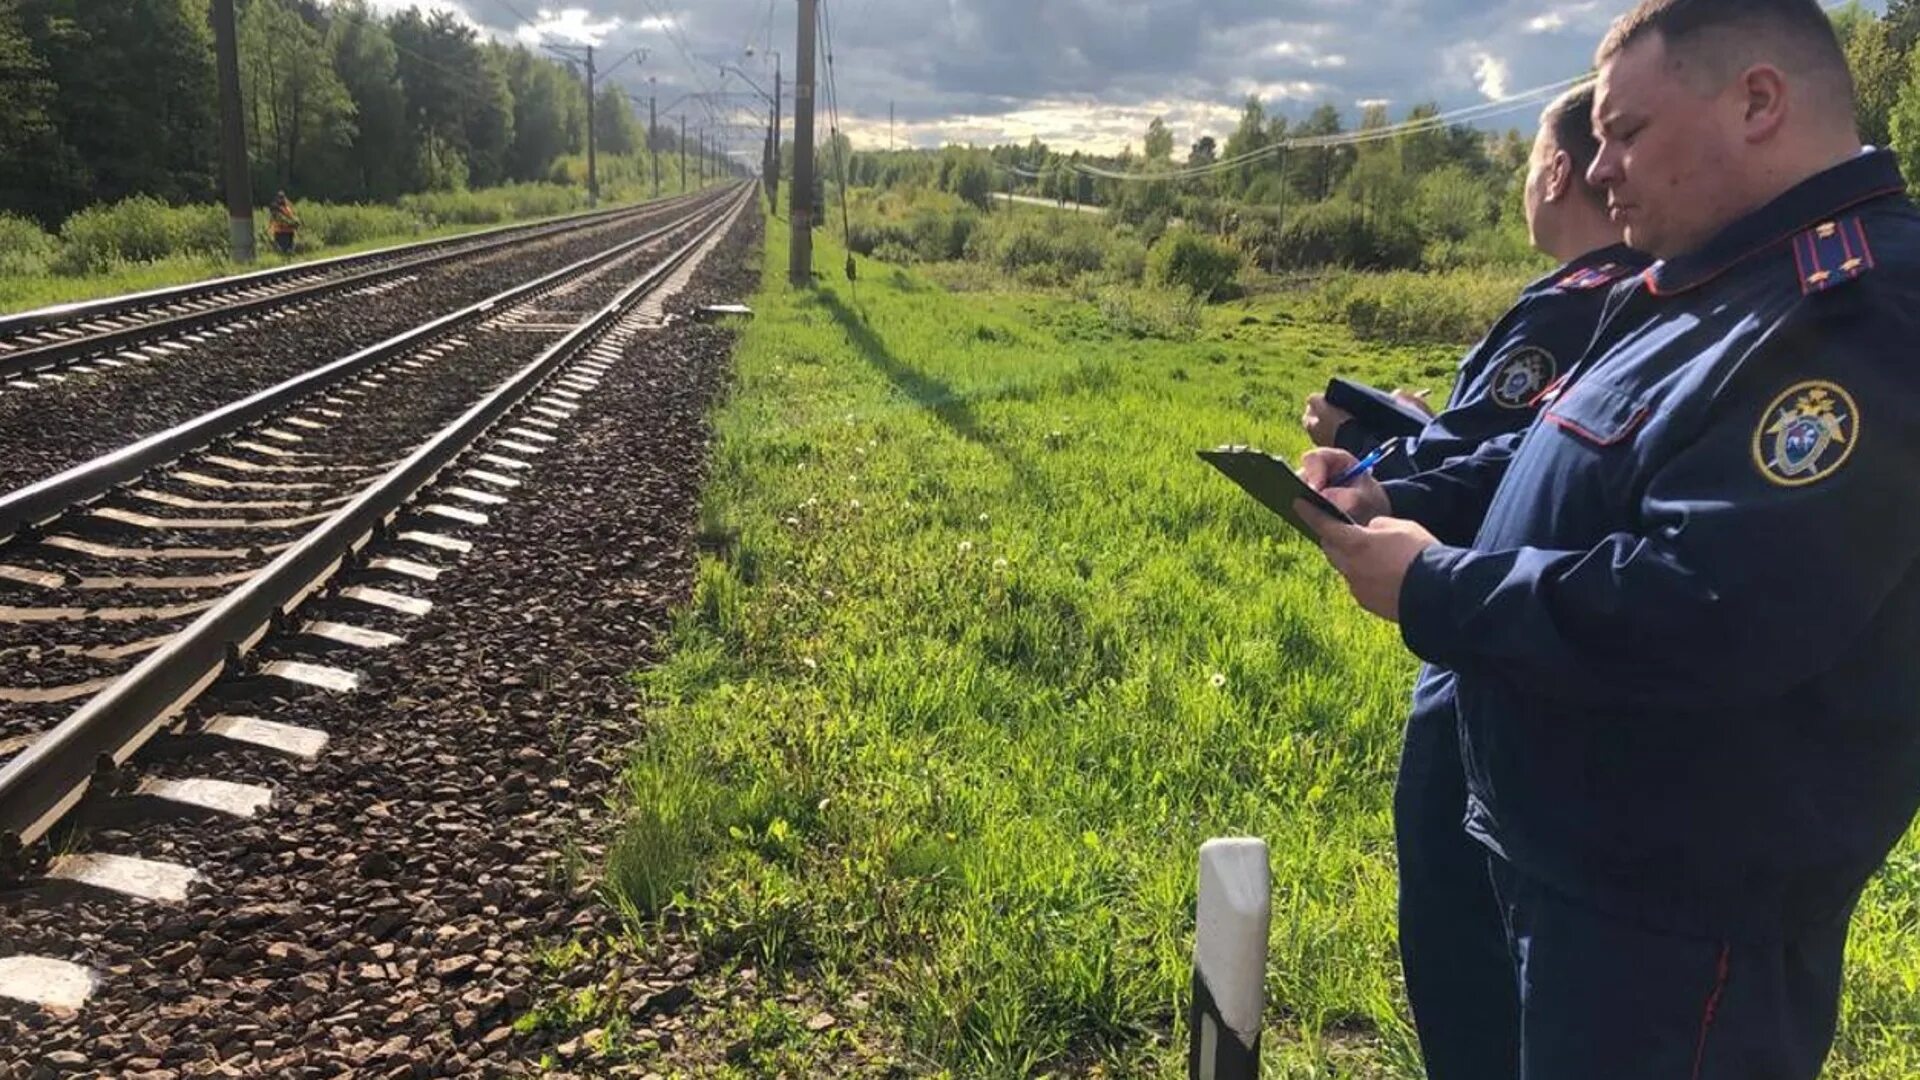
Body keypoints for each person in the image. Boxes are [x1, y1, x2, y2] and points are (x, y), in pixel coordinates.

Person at [1297, 1, 1920, 1076]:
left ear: (1759, 102)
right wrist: (1402, 496)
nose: (1601, 164)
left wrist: (1436, 588)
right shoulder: (1704, 281)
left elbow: (1712, 606)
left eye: (1627, 133)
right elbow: (1568, 457)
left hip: (1683, 921)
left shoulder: (1855, 311)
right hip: (1582, 863)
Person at [1306, 85, 1647, 1080]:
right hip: (1554, 640)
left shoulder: (1574, 302)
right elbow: (1521, 453)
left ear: (1555, 170)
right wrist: (1408, 432)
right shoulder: (1664, 300)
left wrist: (1366, 456)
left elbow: (1493, 465)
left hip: (1487, 634)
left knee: (1463, 924)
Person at [1299, 91, 1643, 484]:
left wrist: (1347, 435)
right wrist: (1433, 426)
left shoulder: (1568, 312)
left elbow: (1459, 479)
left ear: (1557, 174)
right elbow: (1503, 439)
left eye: (1531, 166)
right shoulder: (1643, 290)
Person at [269, 190, 300, 256]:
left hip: (289, 231)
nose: (281, 199)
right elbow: (277, 219)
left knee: (289, 250)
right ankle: (283, 260)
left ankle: (288, 260)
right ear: (277, 198)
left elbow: (293, 215)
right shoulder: (275, 207)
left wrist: (295, 222)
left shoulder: (288, 205)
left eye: (282, 197)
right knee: (283, 251)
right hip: (280, 232)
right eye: (280, 197)